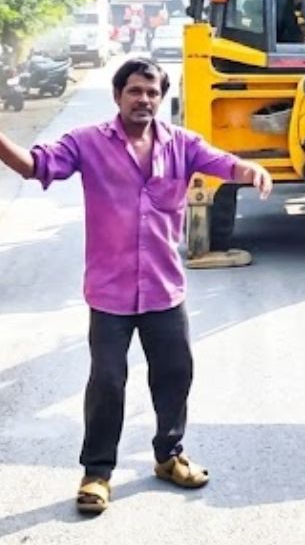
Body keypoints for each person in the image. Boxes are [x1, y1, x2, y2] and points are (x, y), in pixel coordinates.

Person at [0, 58, 274, 515]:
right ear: (117, 96)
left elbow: (223, 163)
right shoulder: (87, 143)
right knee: (107, 381)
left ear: (160, 98)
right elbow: (34, 167)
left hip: (165, 290)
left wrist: (251, 171)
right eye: (134, 91)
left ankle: (169, 456)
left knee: (175, 375)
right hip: (109, 293)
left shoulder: (180, 145)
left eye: (151, 92)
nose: (143, 99)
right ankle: (97, 473)